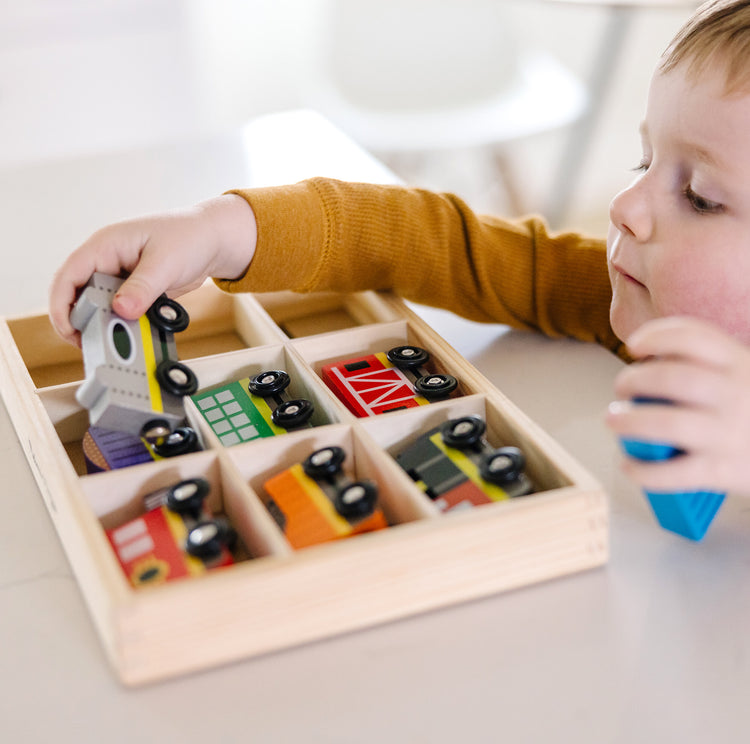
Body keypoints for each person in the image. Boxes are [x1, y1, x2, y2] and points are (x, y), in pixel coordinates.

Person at [48, 0, 750, 498]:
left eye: (701, 197)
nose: (625, 207)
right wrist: (220, 230)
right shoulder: (622, 290)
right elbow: (421, 237)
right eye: (643, 160)